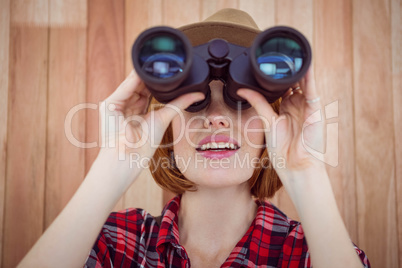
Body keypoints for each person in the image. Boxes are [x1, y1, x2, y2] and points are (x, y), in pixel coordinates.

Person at [19, 8, 370, 268]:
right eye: (195, 101)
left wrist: (307, 171)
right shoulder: (114, 243)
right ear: (167, 125)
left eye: (242, 101)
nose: (216, 117)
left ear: (270, 125)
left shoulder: (314, 252)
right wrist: (113, 163)